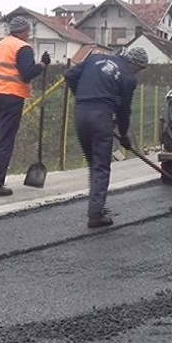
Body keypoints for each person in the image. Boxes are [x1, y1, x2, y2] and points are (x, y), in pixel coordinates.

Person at [64, 47, 147, 228]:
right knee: (101, 166)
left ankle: (96, 205)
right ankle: (95, 214)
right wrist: (124, 135)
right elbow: (124, 110)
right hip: (101, 118)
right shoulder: (128, 78)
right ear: (134, 64)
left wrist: (82, 96)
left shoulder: (94, 59)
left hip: (81, 114)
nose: (137, 73)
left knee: (93, 163)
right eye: (139, 69)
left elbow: (69, 75)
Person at [0, 16, 48, 197]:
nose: (29, 34)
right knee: (6, 140)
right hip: (11, 95)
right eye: (28, 31)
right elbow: (27, 73)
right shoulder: (22, 47)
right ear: (23, 31)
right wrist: (42, 65)